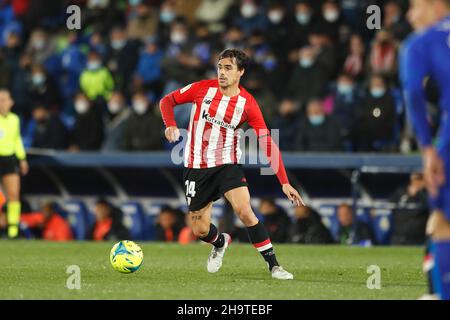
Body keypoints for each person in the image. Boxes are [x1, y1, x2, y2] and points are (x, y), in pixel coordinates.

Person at [159, 48, 304, 280]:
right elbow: (167, 101)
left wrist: (284, 182)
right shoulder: (201, 88)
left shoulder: (248, 104)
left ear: (240, 72)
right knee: (199, 230)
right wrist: (170, 124)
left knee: (245, 211)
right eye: (220, 67)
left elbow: (268, 142)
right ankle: (220, 242)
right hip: (196, 167)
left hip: (227, 164)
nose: (222, 72)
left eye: (228, 68)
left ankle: (274, 266)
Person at [399, 0, 450, 300]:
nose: (410, 15)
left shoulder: (421, 42)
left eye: (414, 6)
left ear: (434, 5)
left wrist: (427, 148)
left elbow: (413, 94)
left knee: (443, 221)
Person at [0, 88, 28, 238]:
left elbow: (17, 140)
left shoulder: (14, 119)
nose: (1, 103)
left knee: (13, 194)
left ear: (11, 102)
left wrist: (22, 158)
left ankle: (13, 230)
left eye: (4, 99)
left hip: (9, 159)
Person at [390, 172, 429, 245]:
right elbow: (390, 205)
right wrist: (409, 194)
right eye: (415, 179)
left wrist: (419, 193)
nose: (417, 182)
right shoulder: (401, 191)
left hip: (417, 239)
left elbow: (432, 207)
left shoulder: (426, 194)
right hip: (398, 237)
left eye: (420, 179)